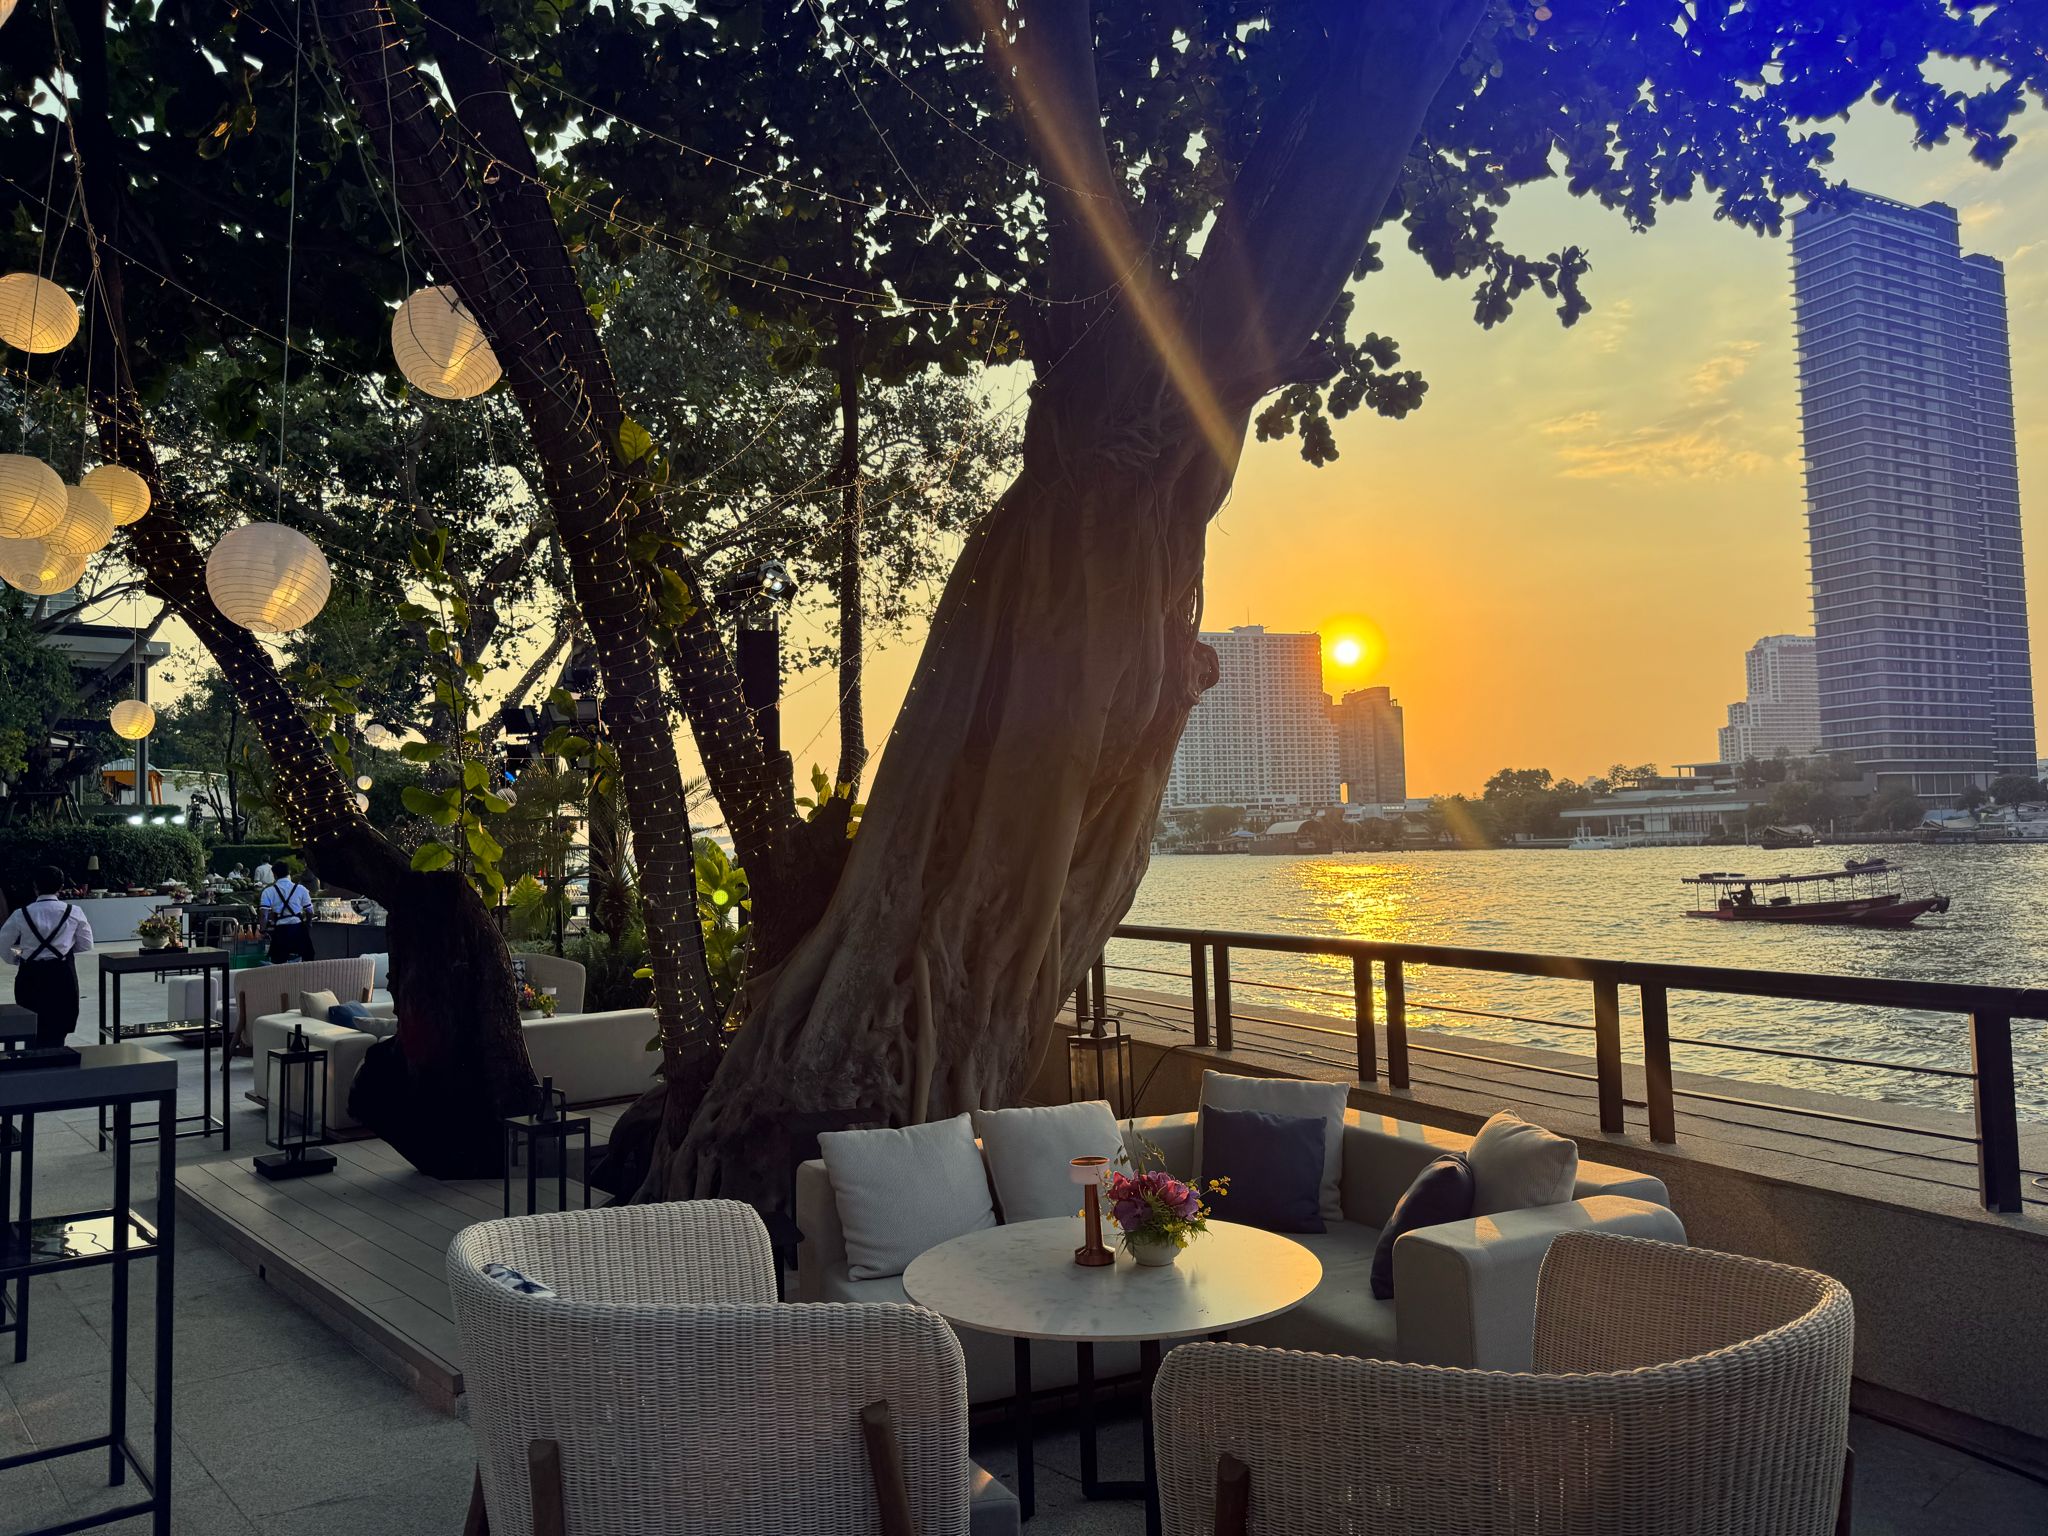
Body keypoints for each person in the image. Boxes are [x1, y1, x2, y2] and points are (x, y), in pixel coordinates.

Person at [1, 866, 94, 1049]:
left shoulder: (21, 914)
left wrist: (20, 956)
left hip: (31, 974)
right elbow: (86, 944)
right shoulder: (73, 911)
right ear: (61, 887)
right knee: (59, 1028)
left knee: (31, 1026)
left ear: (35, 886)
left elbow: (4, 946)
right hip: (62, 974)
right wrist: (62, 950)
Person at [261, 869, 316, 962]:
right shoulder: (301, 889)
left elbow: (264, 914)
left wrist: (263, 930)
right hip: (298, 928)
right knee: (308, 956)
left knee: (278, 961)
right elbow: (310, 911)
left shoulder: (268, 891)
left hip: (280, 930)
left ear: (274, 875)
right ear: (288, 874)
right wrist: (309, 923)